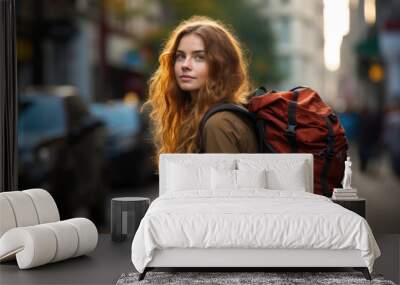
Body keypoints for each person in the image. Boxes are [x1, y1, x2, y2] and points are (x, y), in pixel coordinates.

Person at [142, 16, 258, 165]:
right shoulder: (196, 117)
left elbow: (224, 187)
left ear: (220, 66)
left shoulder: (218, 123)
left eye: (199, 57)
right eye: (180, 56)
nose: (185, 65)